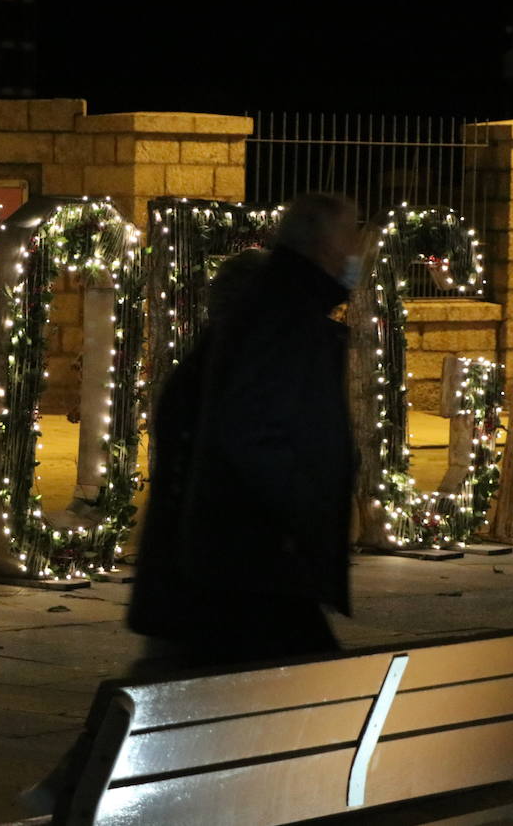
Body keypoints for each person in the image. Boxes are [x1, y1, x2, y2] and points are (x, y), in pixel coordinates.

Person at [129, 193, 363, 670]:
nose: (357, 247)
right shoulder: (284, 319)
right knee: (300, 687)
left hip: (242, 557)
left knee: (188, 676)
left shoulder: (275, 312)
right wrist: (305, 509)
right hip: (258, 557)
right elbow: (250, 433)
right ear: (324, 245)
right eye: (351, 233)